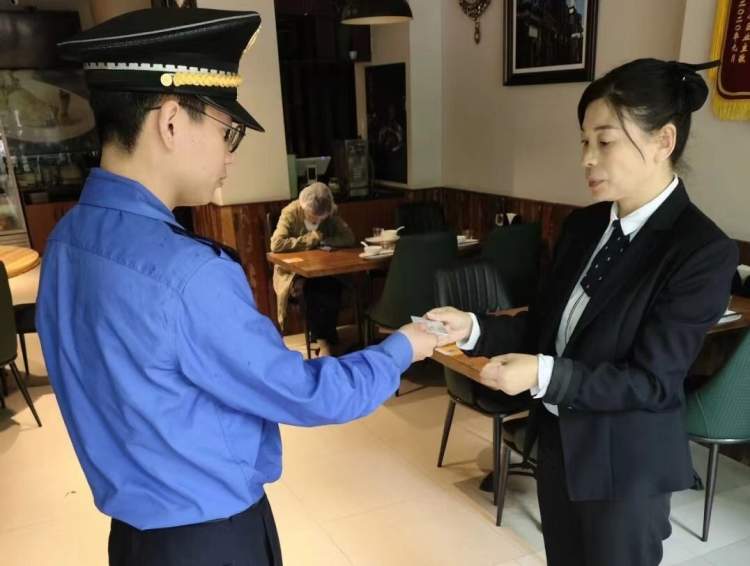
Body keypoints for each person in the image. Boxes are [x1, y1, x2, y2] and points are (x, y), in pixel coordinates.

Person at [36, 9, 438, 566]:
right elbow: (307, 393)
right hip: (210, 540)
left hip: (133, 540)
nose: (229, 154)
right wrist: (405, 346)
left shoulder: (65, 241)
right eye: (227, 131)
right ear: (170, 121)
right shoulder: (186, 272)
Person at [427, 58, 737, 566]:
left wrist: (542, 374)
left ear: (664, 141)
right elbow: (545, 328)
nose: (587, 159)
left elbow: (652, 382)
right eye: (584, 142)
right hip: (559, 446)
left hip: (625, 468)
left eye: (605, 141)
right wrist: (475, 327)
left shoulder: (700, 251)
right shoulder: (584, 227)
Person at [271, 182, 355, 355]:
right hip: (294, 272)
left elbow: (348, 237)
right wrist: (312, 238)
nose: (317, 220)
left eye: (321, 217)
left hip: (323, 268)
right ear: (304, 207)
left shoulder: (330, 212)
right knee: (312, 288)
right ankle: (323, 341)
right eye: (313, 215)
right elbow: (276, 244)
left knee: (333, 284)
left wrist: (325, 241)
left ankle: (326, 336)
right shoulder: (291, 212)